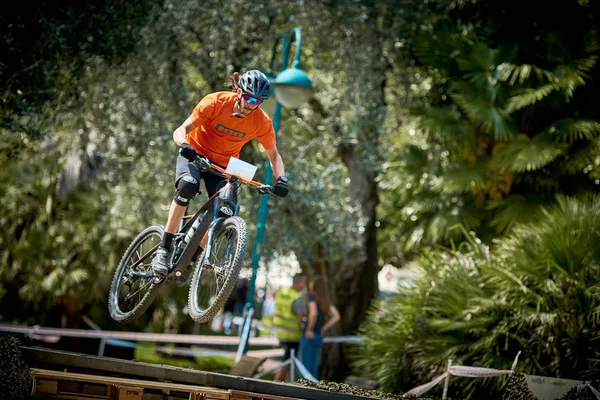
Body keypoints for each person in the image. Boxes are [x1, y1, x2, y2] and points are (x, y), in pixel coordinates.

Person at [151, 69, 289, 276]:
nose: (251, 105)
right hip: (195, 155)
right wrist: (184, 144)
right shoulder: (215, 102)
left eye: (257, 101)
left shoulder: (261, 122)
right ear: (239, 92)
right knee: (188, 186)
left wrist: (282, 179)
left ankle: (189, 258)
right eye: (249, 98)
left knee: (226, 211)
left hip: (223, 166)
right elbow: (181, 130)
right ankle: (164, 248)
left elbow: (274, 156)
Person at [300, 274, 340, 380]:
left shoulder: (311, 297)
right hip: (318, 336)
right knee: (314, 367)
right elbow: (336, 316)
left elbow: (313, 313)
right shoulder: (325, 300)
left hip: (309, 335)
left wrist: (309, 329)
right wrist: (323, 328)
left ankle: (303, 392)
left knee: (305, 367)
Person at [273, 273, 307, 382]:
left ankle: (286, 383)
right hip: (293, 334)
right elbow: (301, 317)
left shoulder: (282, 292)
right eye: (303, 283)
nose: (304, 286)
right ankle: (276, 384)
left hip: (280, 331)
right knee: (287, 361)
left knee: (288, 361)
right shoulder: (297, 298)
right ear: (298, 282)